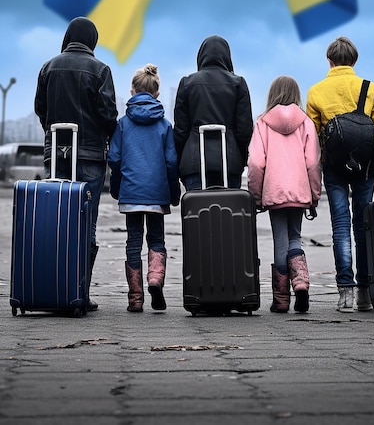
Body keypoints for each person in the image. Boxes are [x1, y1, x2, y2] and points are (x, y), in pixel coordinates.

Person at [34, 16, 118, 311]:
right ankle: (79, 291)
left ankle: (52, 285)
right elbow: (108, 115)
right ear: (92, 40)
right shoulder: (100, 70)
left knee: (56, 218)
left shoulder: (48, 67)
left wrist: (54, 134)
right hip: (90, 156)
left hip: (57, 154)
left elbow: (40, 110)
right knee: (87, 221)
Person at [306, 36, 374, 313]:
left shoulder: (317, 91)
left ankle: (345, 293)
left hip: (334, 167)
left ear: (329, 61)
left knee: (340, 226)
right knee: (363, 225)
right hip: (366, 168)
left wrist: (316, 167)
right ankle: (365, 294)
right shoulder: (369, 88)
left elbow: (313, 135)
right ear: (354, 61)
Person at [107, 64, 180, 313]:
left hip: (132, 192)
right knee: (156, 239)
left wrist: (117, 187)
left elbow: (114, 158)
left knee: (133, 241)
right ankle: (155, 280)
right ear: (157, 94)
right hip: (157, 194)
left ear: (132, 91)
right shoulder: (165, 125)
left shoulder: (123, 124)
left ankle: (135, 299)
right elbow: (171, 162)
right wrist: (173, 193)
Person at [247, 76, 322, 314]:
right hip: (299, 191)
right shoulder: (306, 122)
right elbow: (313, 163)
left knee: (280, 239)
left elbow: (256, 163)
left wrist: (256, 196)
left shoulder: (262, 123)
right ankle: (300, 284)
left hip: (275, 191)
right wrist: (314, 195)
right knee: (295, 237)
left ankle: (281, 301)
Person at [174, 35, 253, 190]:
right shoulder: (238, 83)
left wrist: (180, 162)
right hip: (230, 162)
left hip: (194, 162)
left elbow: (180, 131)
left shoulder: (187, 83)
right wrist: (241, 159)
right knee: (230, 211)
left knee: (197, 211)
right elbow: (245, 131)